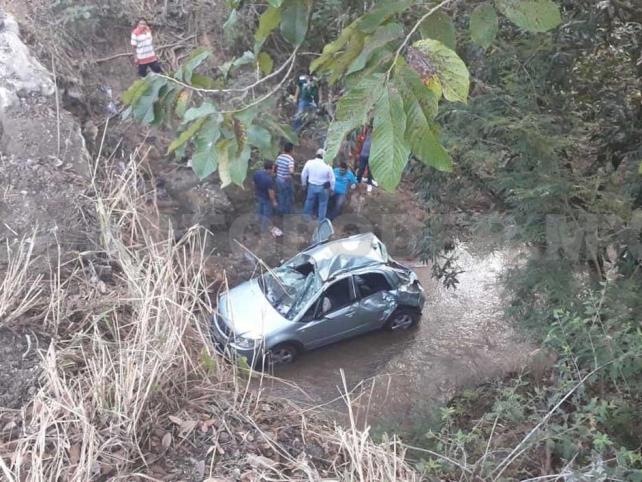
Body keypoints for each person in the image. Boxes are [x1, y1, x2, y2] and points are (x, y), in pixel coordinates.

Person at [301, 148, 335, 222]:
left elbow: (303, 174)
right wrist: (332, 189)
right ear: (324, 156)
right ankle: (320, 222)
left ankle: (306, 219)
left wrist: (303, 184)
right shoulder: (327, 165)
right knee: (323, 204)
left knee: (309, 202)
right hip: (323, 188)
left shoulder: (309, 162)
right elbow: (332, 179)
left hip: (311, 186)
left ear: (316, 154)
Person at [253, 160, 277, 232]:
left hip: (259, 195)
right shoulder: (269, 180)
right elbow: (271, 193)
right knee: (266, 215)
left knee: (259, 211)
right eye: (273, 168)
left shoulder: (257, 173)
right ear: (271, 168)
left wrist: (255, 192)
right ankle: (264, 230)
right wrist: (274, 202)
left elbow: (253, 183)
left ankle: (257, 225)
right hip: (266, 199)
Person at [273, 142, 295, 215]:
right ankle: (287, 213)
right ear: (291, 150)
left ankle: (280, 211)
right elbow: (291, 170)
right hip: (286, 180)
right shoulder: (290, 159)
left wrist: (276, 173)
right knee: (287, 196)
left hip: (278, 179)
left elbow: (275, 166)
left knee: (280, 195)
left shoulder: (279, 157)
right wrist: (291, 175)